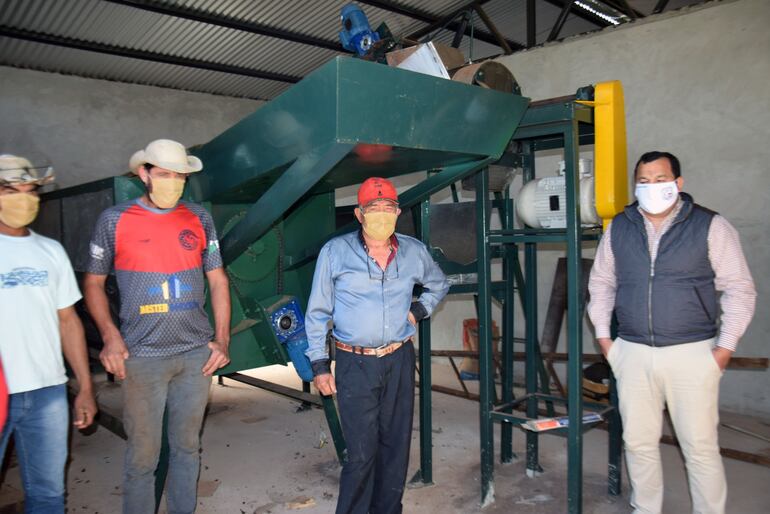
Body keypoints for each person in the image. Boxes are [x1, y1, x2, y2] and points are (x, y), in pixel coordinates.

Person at [588, 151, 756, 514]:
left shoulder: (711, 225)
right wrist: (606, 341)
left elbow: (740, 289)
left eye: (660, 179)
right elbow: (601, 283)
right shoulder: (620, 226)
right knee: (638, 443)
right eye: (643, 182)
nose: (652, 188)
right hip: (631, 351)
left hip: (692, 353)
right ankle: (646, 509)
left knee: (699, 447)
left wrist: (723, 350)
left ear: (678, 184)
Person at [83, 139, 231, 514]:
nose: (173, 183)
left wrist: (223, 340)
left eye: (180, 176)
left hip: (195, 356)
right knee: (143, 457)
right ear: (144, 174)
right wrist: (111, 336)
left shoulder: (199, 217)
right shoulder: (114, 220)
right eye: (164, 174)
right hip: (143, 357)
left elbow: (217, 279)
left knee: (186, 447)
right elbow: (94, 283)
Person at [305, 176, 449, 514]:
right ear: (359, 214)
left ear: (398, 212)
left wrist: (417, 311)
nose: (381, 214)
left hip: (398, 358)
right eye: (373, 208)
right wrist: (319, 365)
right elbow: (317, 313)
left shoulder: (413, 251)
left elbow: (438, 284)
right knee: (361, 453)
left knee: (396, 446)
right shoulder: (336, 252)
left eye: (388, 208)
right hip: (355, 364)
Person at [0, 154, 97, 512]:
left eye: (29, 191)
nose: (22, 199)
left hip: (47, 392)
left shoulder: (50, 251)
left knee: (48, 493)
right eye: (10, 190)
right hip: (0, 389)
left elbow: (68, 321)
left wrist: (85, 387)